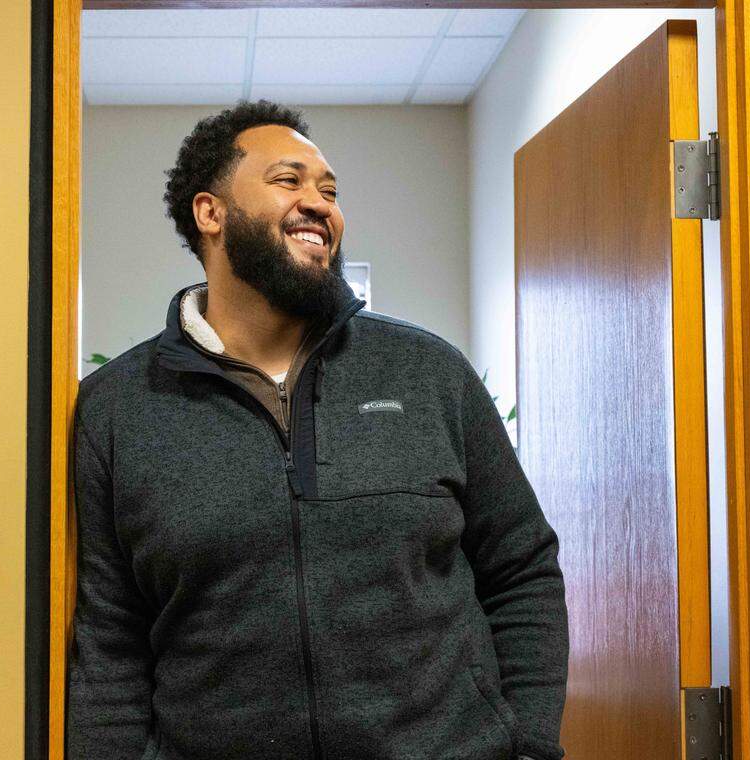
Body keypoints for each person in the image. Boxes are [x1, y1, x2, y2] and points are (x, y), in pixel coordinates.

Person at [65, 99, 568, 760]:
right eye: (288, 181)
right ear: (210, 212)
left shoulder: (428, 373)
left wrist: (527, 742)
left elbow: (522, 567)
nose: (319, 203)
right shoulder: (117, 409)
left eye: (328, 190)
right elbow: (111, 637)